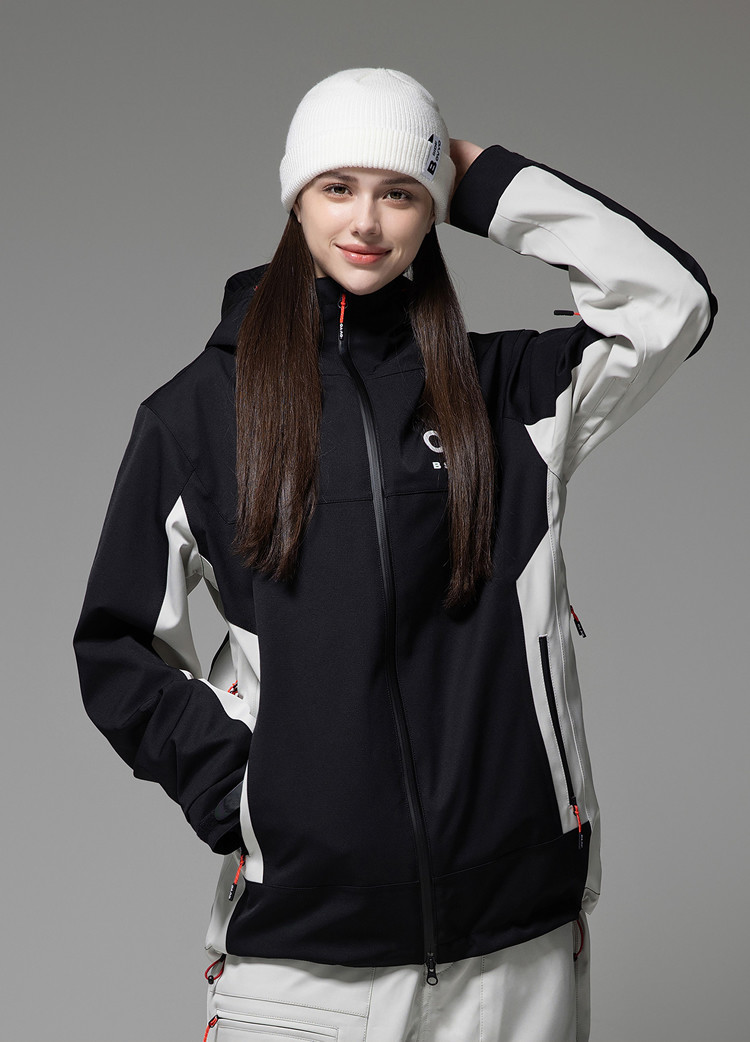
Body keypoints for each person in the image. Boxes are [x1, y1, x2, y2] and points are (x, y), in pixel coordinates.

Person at [73, 68, 717, 1041]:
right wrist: (240, 795)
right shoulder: (202, 415)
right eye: (338, 186)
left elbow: (670, 304)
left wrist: (484, 182)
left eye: (400, 192)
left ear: (434, 210)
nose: (367, 220)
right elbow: (116, 644)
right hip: (304, 967)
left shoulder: (508, 395)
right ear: (296, 197)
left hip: (515, 958)